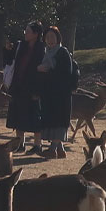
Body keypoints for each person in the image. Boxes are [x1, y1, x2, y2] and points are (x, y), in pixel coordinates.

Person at [5, 21, 44, 153]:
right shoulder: (20, 46)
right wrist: (8, 49)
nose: (25, 34)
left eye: (28, 31)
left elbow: (41, 71)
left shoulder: (41, 48)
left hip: (33, 87)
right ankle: (19, 143)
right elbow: (9, 60)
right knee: (17, 115)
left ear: (36, 34)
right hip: (18, 86)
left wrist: (38, 90)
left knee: (35, 116)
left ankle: (37, 145)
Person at [36, 25, 74, 159]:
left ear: (58, 38)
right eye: (47, 37)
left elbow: (65, 74)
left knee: (58, 121)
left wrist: (47, 71)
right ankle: (61, 150)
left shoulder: (63, 52)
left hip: (61, 95)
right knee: (52, 120)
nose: (50, 40)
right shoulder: (48, 53)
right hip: (49, 95)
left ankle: (52, 150)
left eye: (52, 37)